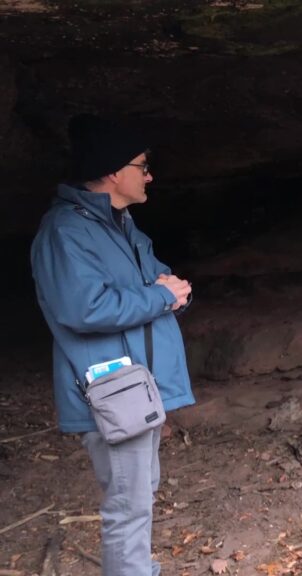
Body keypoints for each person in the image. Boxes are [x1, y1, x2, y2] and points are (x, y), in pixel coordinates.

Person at [31, 114, 194, 576]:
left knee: (140, 492)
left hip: (138, 388)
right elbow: (84, 308)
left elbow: (162, 283)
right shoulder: (66, 232)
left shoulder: (121, 226)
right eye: (141, 165)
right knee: (128, 505)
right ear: (110, 171)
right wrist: (162, 296)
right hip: (111, 391)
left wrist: (171, 296)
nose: (149, 175)